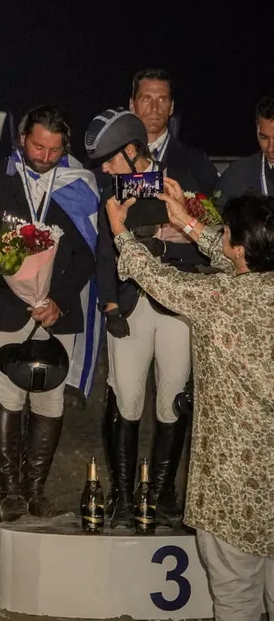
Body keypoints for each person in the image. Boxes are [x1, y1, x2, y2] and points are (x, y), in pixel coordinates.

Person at [106, 185, 274, 621]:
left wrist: (120, 232)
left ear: (240, 248)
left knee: (237, 597)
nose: (221, 237)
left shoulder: (219, 299)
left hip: (234, 485)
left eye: (226, 232)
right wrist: (187, 222)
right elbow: (239, 261)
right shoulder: (251, 281)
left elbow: (161, 280)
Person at [0, 104, 98, 520]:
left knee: (50, 400)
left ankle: (36, 489)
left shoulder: (78, 185)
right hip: (2, 303)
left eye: (54, 150)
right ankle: (10, 491)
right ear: (22, 140)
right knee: (7, 395)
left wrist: (60, 301)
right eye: (38, 147)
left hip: (56, 310)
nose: (45, 157)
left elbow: (87, 256)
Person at [87, 109, 204, 527]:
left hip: (175, 307)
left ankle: (160, 492)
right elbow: (105, 252)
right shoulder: (112, 193)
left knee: (172, 398)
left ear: (133, 151)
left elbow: (208, 245)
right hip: (130, 305)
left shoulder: (179, 182)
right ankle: (122, 494)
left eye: (110, 160)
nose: (104, 168)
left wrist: (173, 240)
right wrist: (110, 305)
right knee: (127, 397)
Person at [128, 68, 218, 195]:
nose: (154, 108)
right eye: (146, 99)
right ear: (132, 106)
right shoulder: (114, 160)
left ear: (171, 107)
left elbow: (217, 203)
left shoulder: (196, 162)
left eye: (162, 99)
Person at [214, 95, 274, 209]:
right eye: (264, 138)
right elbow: (213, 217)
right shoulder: (237, 176)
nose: (270, 148)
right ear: (257, 130)